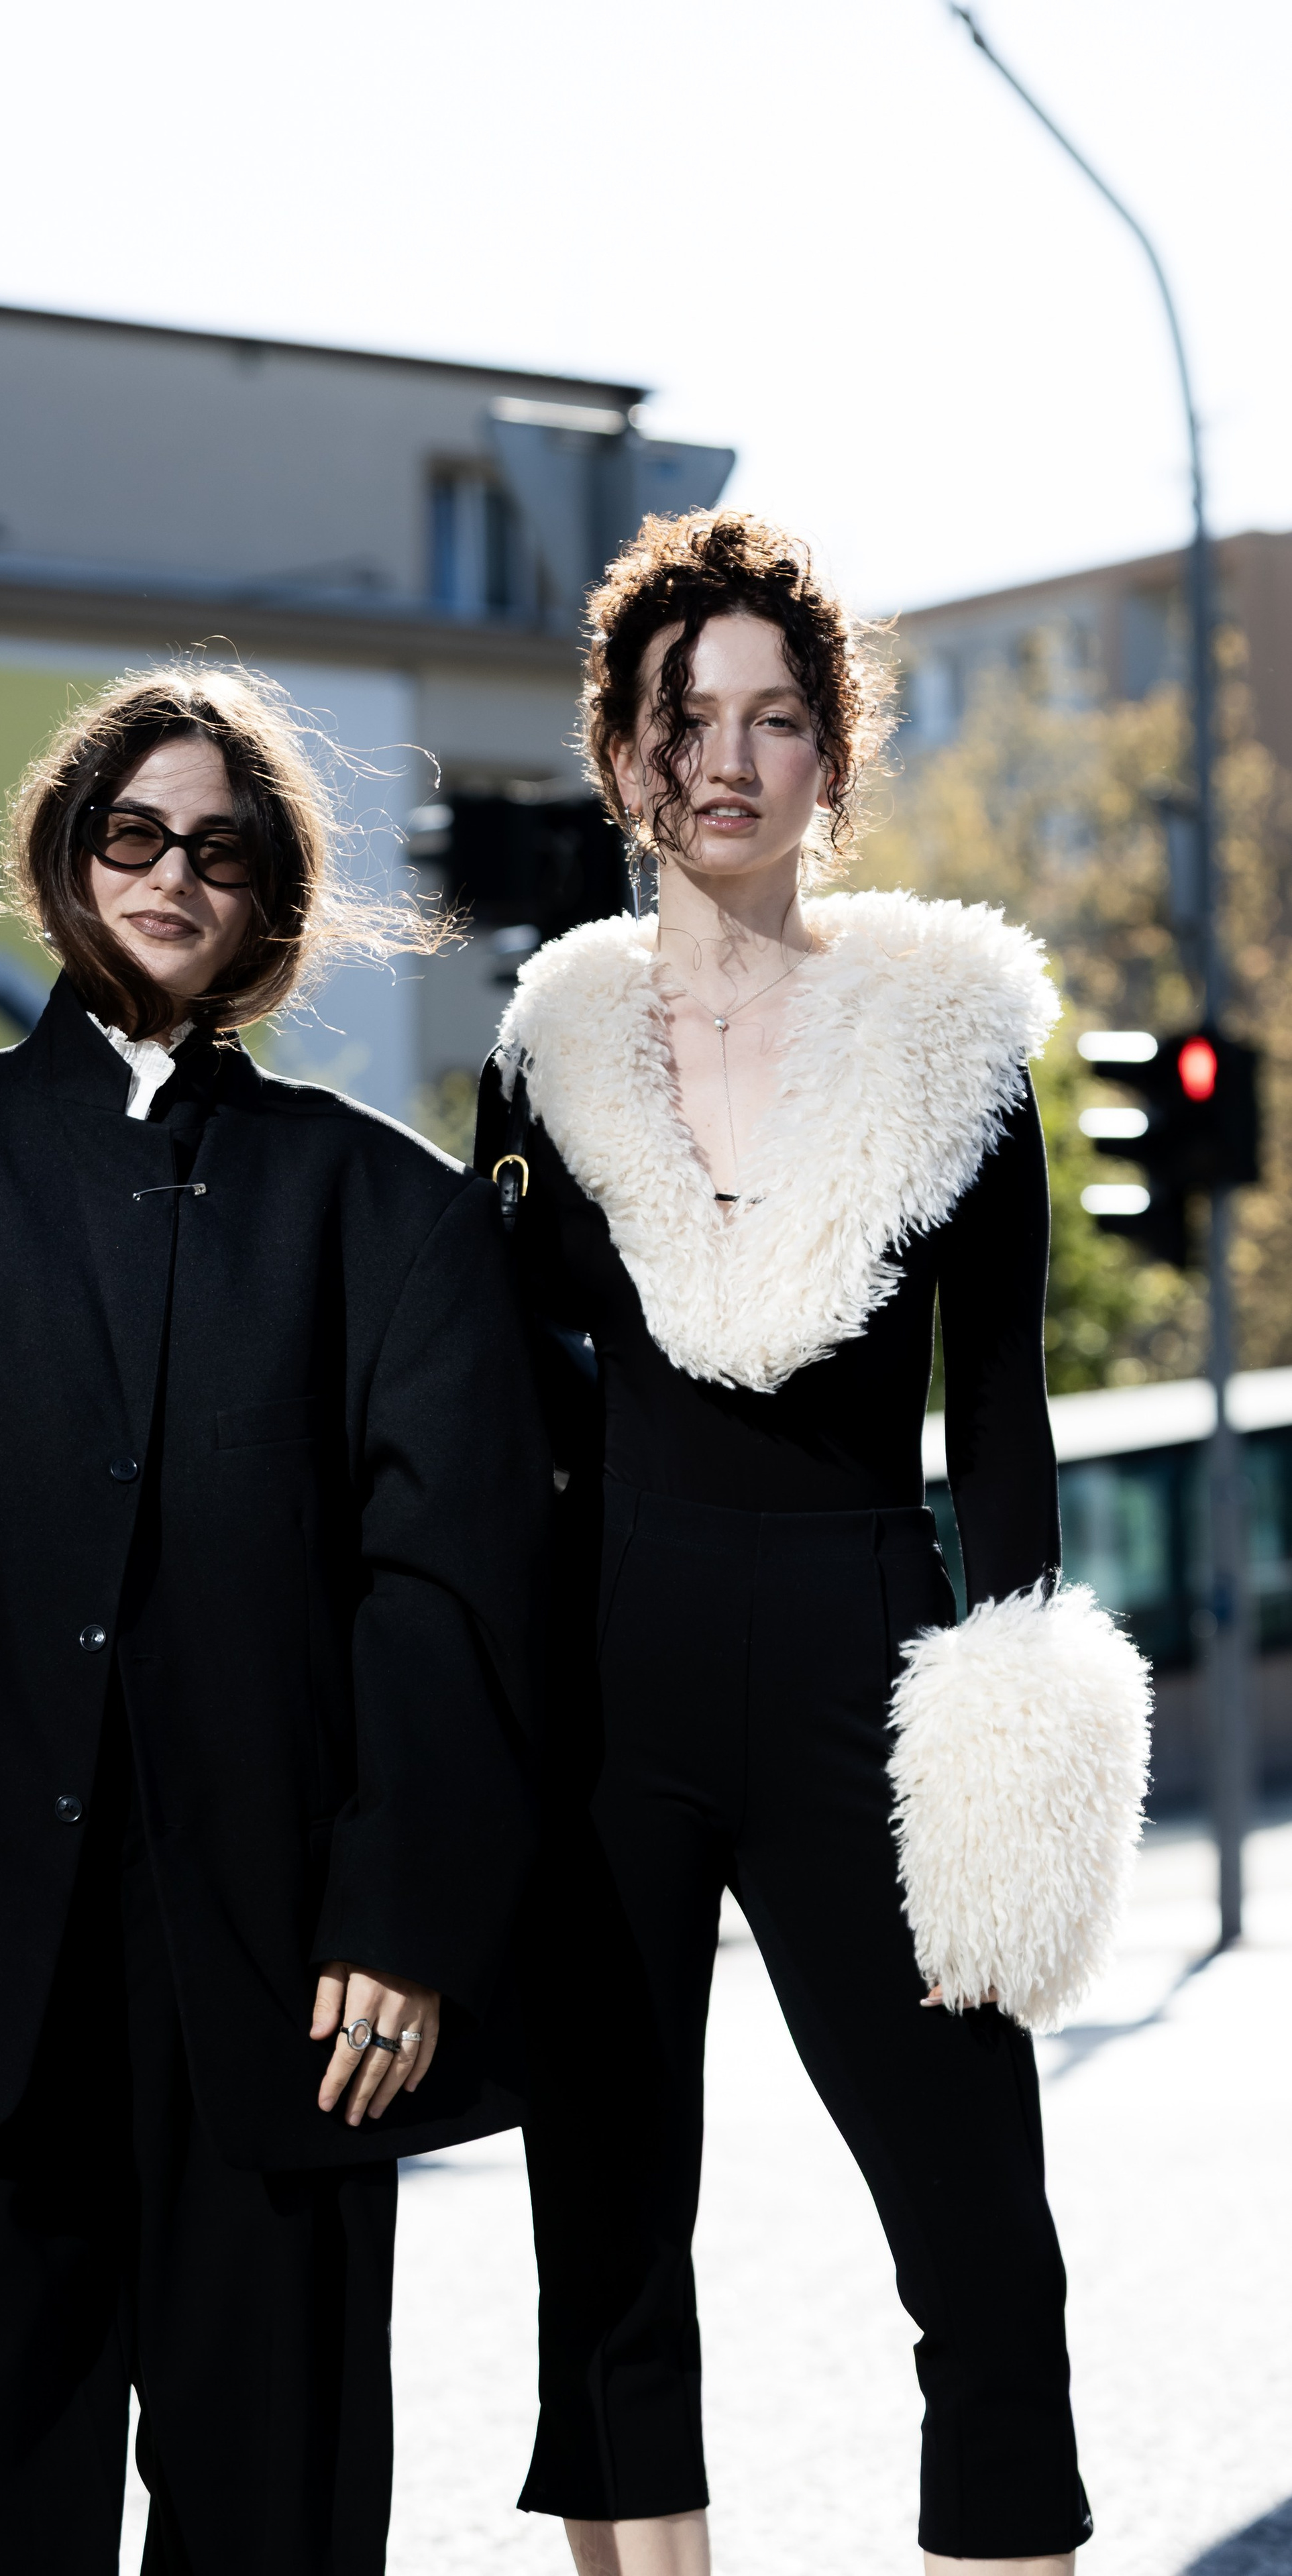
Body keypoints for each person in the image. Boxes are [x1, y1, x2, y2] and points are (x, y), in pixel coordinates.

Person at [0, 663, 549, 2576]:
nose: (171, 872)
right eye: (131, 832)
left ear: (271, 905)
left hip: (288, 2006)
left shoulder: (390, 1219)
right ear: (67, 856)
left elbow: (456, 1602)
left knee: (278, 2534)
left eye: (220, 849)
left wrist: (408, 1918)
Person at [475, 512, 1149, 2576]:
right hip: (609, 1688)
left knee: (983, 2248)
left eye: (778, 718)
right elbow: (495, 1413)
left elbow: (1005, 1418)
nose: (730, 760)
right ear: (622, 753)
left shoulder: (952, 1043)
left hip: (876, 1669)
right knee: (602, 2239)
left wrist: (1013, 1730)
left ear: (833, 758)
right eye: (687, 719)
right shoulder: (548, 1046)